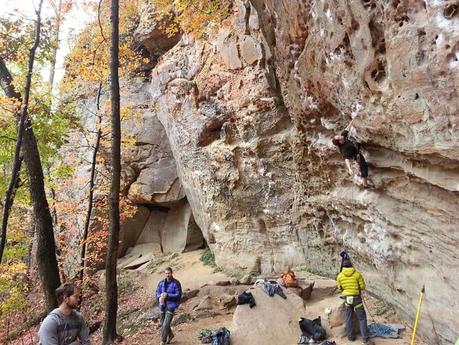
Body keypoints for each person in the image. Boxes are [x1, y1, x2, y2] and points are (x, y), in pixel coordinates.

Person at [336, 258, 374, 345]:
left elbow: (339, 287)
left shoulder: (340, 276)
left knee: (348, 318)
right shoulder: (357, 274)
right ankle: (366, 339)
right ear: (351, 265)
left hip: (347, 300)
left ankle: (350, 337)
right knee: (362, 318)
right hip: (357, 299)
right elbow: (363, 286)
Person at [155, 267, 182, 345]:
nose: (167, 275)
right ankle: (170, 335)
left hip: (171, 306)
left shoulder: (176, 283)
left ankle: (163, 341)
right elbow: (157, 292)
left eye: (168, 273)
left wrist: (167, 295)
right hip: (162, 305)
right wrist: (159, 297)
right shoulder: (161, 283)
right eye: (166, 273)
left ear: (171, 273)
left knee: (166, 324)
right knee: (163, 323)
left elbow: (178, 295)